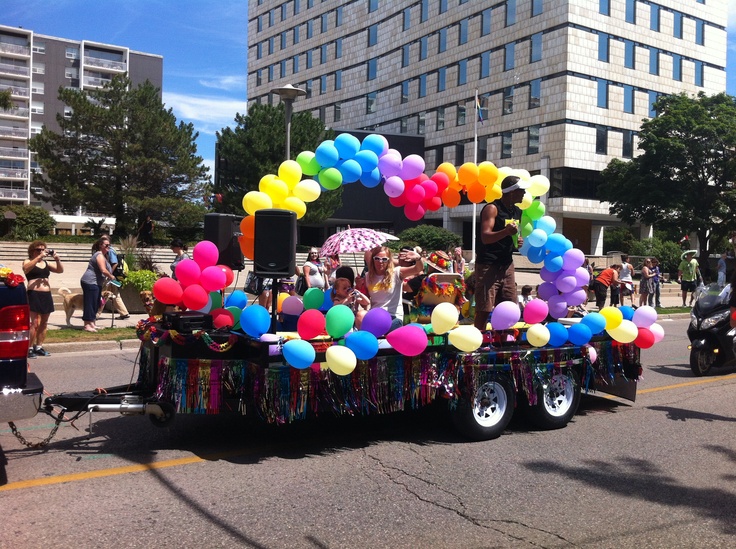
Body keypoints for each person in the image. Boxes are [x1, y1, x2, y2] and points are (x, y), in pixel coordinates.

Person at [473, 175, 527, 331]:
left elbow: (511, 235)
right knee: (485, 308)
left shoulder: (517, 211)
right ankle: (478, 345)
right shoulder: (492, 208)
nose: (524, 194)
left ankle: (502, 344)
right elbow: (485, 237)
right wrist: (505, 232)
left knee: (509, 308)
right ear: (511, 192)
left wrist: (518, 240)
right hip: (488, 264)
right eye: (521, 190)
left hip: (507, 265)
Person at [364, 245, 424, 332]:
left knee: (379, 330)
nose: (380, 261)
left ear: (389, 261)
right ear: (373, 259)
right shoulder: (367, 276)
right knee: (360, 315)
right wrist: (359, 288)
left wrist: (418, 258)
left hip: (393, 316)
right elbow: (365, 303)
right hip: (375, 316)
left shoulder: (396, 273)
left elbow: (418, 269)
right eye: (377, 258)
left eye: (384, 259)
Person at [22, 240, 63, 358]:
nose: (41, 252)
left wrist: (57, 259)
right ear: (32, 251)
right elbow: (26, 269)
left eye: (42, 249)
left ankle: (39, 346)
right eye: (38, 250)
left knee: (44, 323)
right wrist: (39, 257)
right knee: (34, 323)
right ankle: (29, 348)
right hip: (33, 294)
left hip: (46, 295)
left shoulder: (45, 263)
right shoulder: (28, 261)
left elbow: (60, 270)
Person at [80, 237, 116, 332]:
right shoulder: (99, 255)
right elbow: (103, 270)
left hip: (97, 283)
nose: (108, 247)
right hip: (90, 282)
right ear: (101, 245)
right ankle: (87, 325)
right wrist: (111, 276)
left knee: (95, 303)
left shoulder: (104, 256)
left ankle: (92, 323)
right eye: (106, 245)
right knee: (90, 303)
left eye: (109, 245)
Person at [100, 235, 130, 320]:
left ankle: (96, 314)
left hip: (111, 277)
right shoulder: (109, 250)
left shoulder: (110, 251)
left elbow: (115, 263)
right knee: (115, 295)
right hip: (112, 277)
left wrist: (109, 274)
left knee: (103, 295)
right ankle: (124, 313)